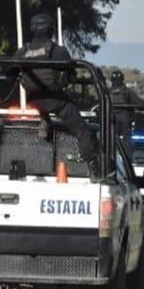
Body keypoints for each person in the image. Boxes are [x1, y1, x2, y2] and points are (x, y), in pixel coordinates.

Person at [13, 13, 100, 178]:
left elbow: (9, 72)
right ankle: (94, 168)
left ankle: (44, 118)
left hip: (34, 101)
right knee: (82, 131)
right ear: (50, 29)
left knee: (43, 106)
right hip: (57, 101)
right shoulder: (58, 51)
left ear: (32, 30)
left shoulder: (22, 52)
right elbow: (71, 76)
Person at [109, 69, 144, 155]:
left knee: (110, 138)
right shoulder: (127, 91)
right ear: (122, 79)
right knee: (126, 138)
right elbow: (139, 103)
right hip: (125, 118)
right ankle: (126, 158)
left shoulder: (107, 92)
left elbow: (99, 104)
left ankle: (110, 155)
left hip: (111, 119)